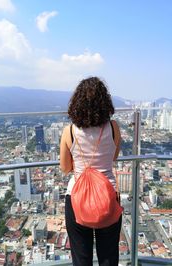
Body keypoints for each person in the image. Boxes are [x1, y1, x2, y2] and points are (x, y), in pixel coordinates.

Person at [60, 76, 122, 266]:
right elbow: (114, 156)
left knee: (81, 257)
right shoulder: (113, 127)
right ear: (105, 103)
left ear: (76, 103)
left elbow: (65, 168)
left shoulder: (69, 131)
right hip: (108, 196)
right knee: (109, 256)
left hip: (77, 197)